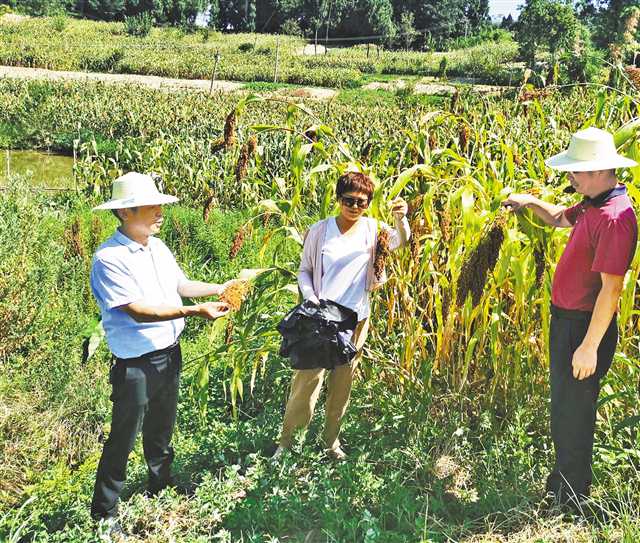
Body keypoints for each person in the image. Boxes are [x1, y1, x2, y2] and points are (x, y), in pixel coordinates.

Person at [89, 172, 232, 534]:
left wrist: (220, 287)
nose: (159, 212)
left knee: (162, 425)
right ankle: (104, 514)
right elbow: (139, 310)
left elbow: (180, 285)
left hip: (169, 352)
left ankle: (161, 484)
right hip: (135, 361)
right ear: (125, 213)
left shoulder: (159, 247)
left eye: (159, 205)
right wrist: (194, 311)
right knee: (123, 434)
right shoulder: (109, 259)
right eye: (151, 206)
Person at [502, 127, 638, 507]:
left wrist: (588, 347)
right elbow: (560, 218)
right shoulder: (594, 202)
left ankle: (572, 499)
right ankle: (561, 485)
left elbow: (611, 291)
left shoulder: (615, 217)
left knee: (575, 413)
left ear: (598, 170)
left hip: (584, 329)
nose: (570, 177)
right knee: (564, 407)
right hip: (567, 322)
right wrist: (528, 202)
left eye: (575, 171)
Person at [273, 172, 410, 461]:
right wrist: (311, 298)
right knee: (307, 383)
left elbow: (401, 241)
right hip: (320, 320)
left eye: (362, 202)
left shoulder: (375, 230)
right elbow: (305, 270)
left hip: (355, 321)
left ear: (369, 203)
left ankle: (330, 443)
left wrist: (402, 217)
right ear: (338, 199)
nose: (355, 206)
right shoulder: (320, 231)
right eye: (348, 200)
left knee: (342, 385)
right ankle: (287, 446)